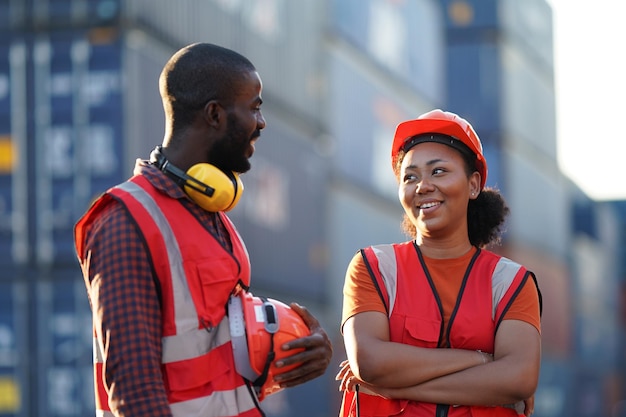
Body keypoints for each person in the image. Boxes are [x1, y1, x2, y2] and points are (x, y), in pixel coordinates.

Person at [74, 43, 332, 417]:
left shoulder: (210, 212)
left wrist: (297, 350)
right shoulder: (125, 222)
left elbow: (215, 363)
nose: (261, 124)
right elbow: (134, 392)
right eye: (255, 107)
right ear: (215, 114)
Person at [336, 109, 541, 417]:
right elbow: (370, 362)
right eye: (410, 176)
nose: (423, 186)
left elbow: (519, 378)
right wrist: (482, 361)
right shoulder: (372, 267)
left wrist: (393, 385)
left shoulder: (511, 283)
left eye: (438, 171)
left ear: (473, 185)